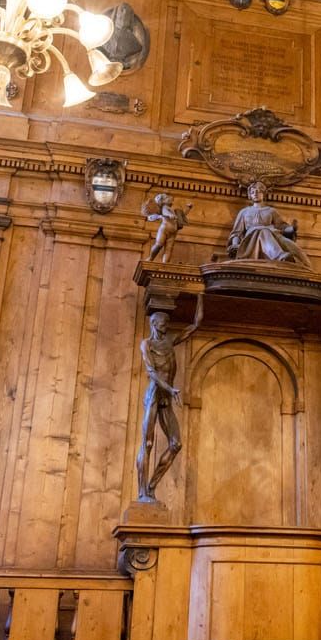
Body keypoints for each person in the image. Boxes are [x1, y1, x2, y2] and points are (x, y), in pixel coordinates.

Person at [135, 304, 205, 502]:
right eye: (164, 323)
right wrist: (170, 388)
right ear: (155, 324)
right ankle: (142, 493)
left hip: (166, 396)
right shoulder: (146, 344)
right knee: (147, 443)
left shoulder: (168, 342)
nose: (167, 326)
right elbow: (151, 372)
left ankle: (151, 486)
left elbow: (195, 325)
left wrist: (199, 298)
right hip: (154, 395)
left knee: (176, 444)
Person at [227, 181, 310, 265]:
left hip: (271, 235)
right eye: (253, 192)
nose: (255, 194)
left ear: (263, 194)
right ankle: (279, 256)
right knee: (263, 231)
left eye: (259, 191)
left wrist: (292, 228)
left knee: (265, 231)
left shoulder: (271, 211)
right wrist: (235, 245)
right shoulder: (244, 212)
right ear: (250, 195)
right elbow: (237, 232)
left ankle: (280, 255)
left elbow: (281, 227)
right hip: (250, 241)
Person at [143, 193, 192, 262]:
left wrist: (188, 208)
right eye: (167, 197)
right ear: (162, 201)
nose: (170, 198)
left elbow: (183, 215)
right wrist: (170, 215)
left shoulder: (174, 210)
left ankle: (165, 263)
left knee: (169, 249)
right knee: (159, 244)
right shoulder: (164, 207)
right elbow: (165, 212)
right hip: (164, 230)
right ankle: (151, 258)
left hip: (173, 232)